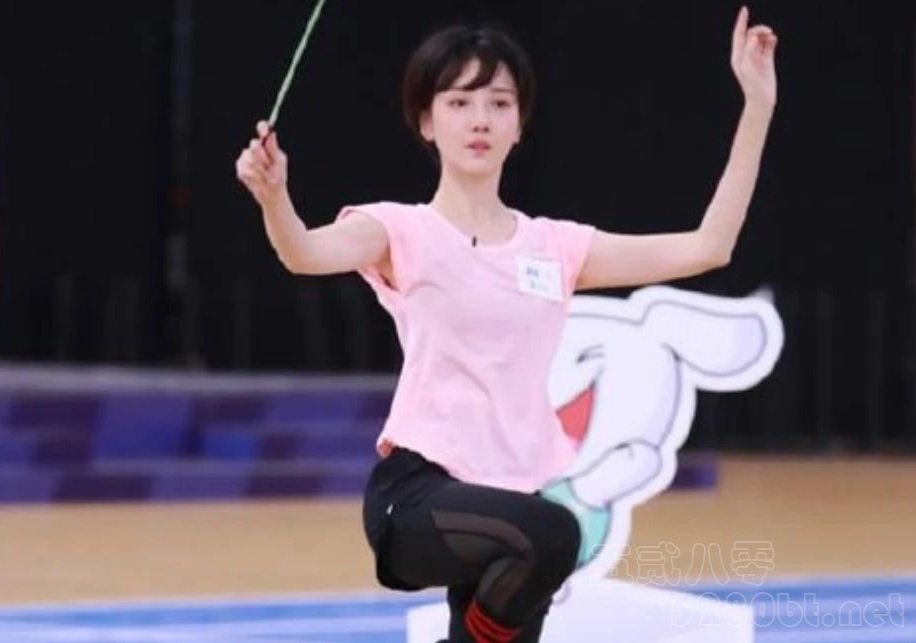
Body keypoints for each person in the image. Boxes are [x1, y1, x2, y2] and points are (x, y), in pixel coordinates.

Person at [235, 7, 777, 642]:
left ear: (519, 126)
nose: (480, 119)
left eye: (499, 103)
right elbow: (303, 252)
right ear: (426, 121)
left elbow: (708, 246)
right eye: (459, 102)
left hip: (516, 498)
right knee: (556, 534)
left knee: (537, 551)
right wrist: (275, 198)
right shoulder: (399, 229)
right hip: (420, 498)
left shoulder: (556, 247)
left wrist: (758, 105)